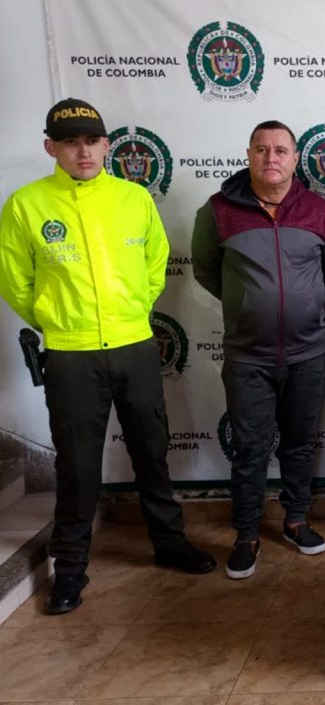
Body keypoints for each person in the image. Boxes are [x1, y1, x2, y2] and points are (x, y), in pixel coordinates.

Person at [0, 98, 215, 614]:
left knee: (151, 450)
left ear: (106, 145)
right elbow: (16, 281)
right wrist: (58, 321)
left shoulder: (133, 198)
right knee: (76, 466)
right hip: (71, 355)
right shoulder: (25, 205)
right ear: (50, 147)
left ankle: (169, 544)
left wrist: (130, 313)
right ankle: (70, 570)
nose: (83, 151)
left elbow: (155, 261)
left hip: (134, 345)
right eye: (70, 142)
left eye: (92, 140)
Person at [192, 120, 325, 579]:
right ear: (248, 155)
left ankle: (297, 519)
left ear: (296, 158)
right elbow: (205, 270)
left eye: (281, 150)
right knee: (251, 449)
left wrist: (304, 302)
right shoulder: (218, 210)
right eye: (262, 150)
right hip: (248, 358)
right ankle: (246, 534)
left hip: (307, 354)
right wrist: (248, 304)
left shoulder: (319, 210)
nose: (271, 158)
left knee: (299, 445)